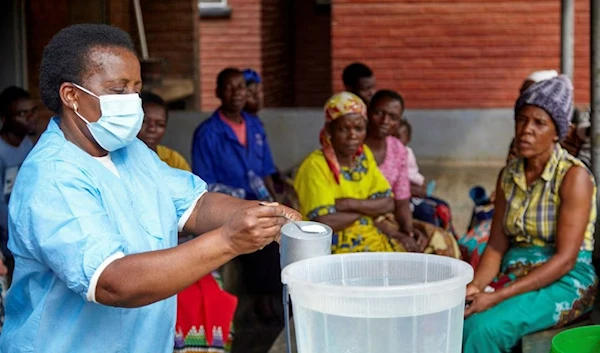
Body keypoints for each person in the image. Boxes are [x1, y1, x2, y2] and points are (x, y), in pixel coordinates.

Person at [0, 24, 299, 353]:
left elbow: (194, 205)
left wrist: (271, 216)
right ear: (71, 95)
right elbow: (112, 282)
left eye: (136, 90)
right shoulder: (51, 177)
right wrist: (229, 241)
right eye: (118, 90)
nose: (132, 102)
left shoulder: (131, 153)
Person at [462, 75, 597, 353]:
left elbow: (565, 260)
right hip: (517, 270)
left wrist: (496, 296)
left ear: (558, 132)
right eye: (522, 119)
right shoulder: (508, 176)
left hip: (565, 279)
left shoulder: (573, 177)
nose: (526, 130)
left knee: (483, 328)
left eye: (539, 123)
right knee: (459, 316)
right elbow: (497, 246)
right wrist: (475, 286)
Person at [192, 68, 283, 326]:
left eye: (241, 87)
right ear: (218, 93)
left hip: (259, 200)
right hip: (226, 206)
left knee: (279, 228)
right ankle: (262, 301)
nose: (236, 93)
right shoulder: (208, 133)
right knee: (258, 238)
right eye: (229, 88)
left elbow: (266, 171)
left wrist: (278, 202)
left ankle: (271, 298)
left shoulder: (254, 125)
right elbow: (204, 183)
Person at [294, 91, 411, 254]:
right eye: (343, 129)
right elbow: (323, 222)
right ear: (329, 130)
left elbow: (388, 203)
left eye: (358, 128)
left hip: (372, 241)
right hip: (333, 251)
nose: (352, 136)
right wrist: (367, 209)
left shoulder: (364, 156)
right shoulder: (315, 166)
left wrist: (349, 204)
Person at [365, 90, 460, 258]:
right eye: (379, 113)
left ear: (399, 121)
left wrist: (409, 231)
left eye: (393, 117)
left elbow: (401, 200)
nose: (385, 121)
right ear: (368, 111)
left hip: (390, 217)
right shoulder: (354, 146)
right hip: (361, 218)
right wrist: (397, 234)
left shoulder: (397, 149)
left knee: (442, 241)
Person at [396, 120, 456, 234]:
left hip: (413, 191)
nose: (396, 141)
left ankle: (448, 237)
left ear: (407, 139)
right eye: (393, 136)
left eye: (399, 137)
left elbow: (414, 175)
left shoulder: (407, 153)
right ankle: (433, 238)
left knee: (443, 206)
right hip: (403, 197)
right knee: (427, 211)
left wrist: (418, 187)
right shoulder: (388, 154)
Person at [138, 92, 191, 171]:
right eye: (144, 121)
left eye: (160, 124)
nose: (152, 129)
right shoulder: (118, 159)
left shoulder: (174, 160)